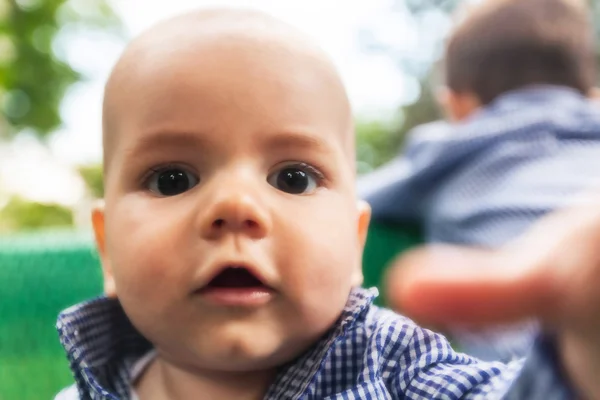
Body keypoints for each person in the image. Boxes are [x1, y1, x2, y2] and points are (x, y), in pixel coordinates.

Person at [55, 8, 600, 400]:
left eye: (293, 178)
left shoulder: (396, 368)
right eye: (173, 179)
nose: (236, 205)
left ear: (355, 241)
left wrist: (584, 360)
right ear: (107, 250)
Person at [358, 0, 600, 361]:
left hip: (530, 348)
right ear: (592, 96)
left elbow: (351, 201)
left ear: (457, 107)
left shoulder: (452, 148)